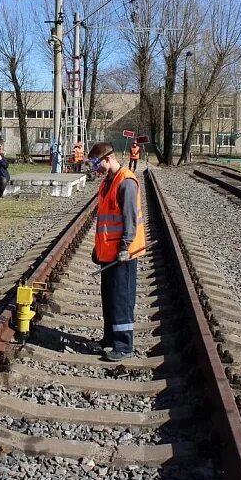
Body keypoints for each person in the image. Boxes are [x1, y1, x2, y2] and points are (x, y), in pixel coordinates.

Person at [87, 142, 146, 362]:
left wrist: (124, 247)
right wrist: (98, 248)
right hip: (108, 252)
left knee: (122, 299)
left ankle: (123, 345)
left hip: (123, 254)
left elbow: (130, 219)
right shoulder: (107, 183)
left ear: (107, 159)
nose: (95, 169)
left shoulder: (126, 182)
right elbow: (105, 220)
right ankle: (110, 338)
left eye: (96, 164)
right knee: (109, 297)